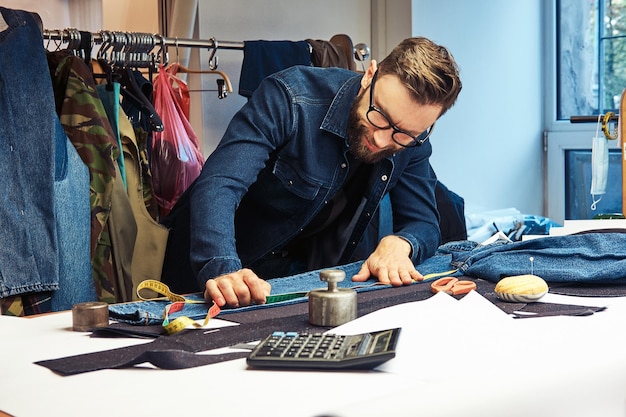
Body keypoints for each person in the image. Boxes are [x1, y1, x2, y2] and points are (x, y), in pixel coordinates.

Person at [162, 36, 462, 308]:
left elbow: (424, 221)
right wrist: (222, 266)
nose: (383, 140)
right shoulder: (289, 98)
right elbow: (220, 184)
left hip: (298, 282)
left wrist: (402, 243)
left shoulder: (414, 140)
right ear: (370, 75)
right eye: (380, 116)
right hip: (215, 270)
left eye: (403, 133)